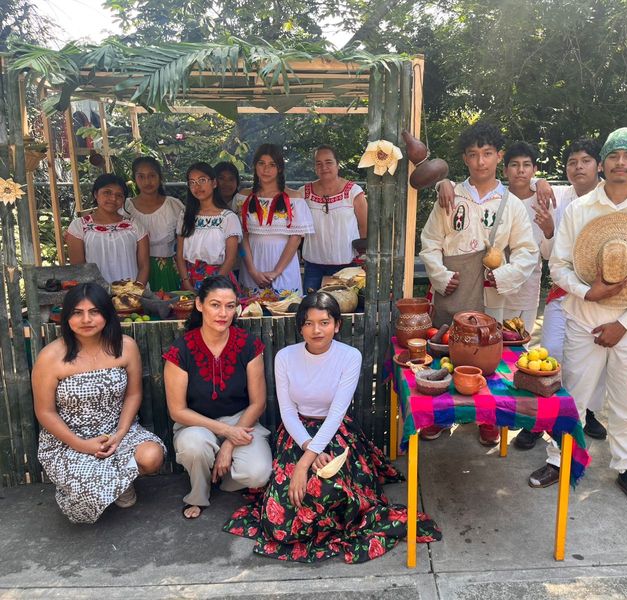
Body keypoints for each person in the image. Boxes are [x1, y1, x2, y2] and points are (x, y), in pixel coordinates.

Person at [223, 291, 440, 562]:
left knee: (330, 489)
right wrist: (306, 450)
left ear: (337, 325)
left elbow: (337, 413)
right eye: (309, 323)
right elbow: (288, 412)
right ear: (300, 326)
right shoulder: (285, 357)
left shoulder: (349, 356)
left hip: (335, 432)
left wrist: (305, 464)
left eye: (325, 322)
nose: (317, 330)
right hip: (296, 434)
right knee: (282, 518)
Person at [529, 127, 627, 512]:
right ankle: (559, 460)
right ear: (603, 164)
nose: (620, 163)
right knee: (573, 395)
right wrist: (586, 292)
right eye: (613, 156)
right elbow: (558, 266)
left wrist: (623, 324)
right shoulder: (579, 209)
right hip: (582, 318)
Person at [419, 121, 538, 446]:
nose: (481, 162)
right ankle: (440, 417)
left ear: (499, 156)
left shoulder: (510, 204)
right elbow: (430, 241)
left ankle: (488, 419)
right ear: (465, 158)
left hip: (489, 292)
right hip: (454, 291)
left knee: (488, 358)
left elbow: (528, 251)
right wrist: (441, 277)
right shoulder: (451, 196)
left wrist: (503, 276)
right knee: (446, 353)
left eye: (487, 154)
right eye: (473, 155)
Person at [33, 283, 165, 523]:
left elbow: (133, 395)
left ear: (106, 313)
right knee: (85, 500)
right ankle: (104, 482)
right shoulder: (50, 357)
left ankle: (117, 481)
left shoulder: (125, 347)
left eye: (94, 311)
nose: (86, 319)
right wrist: (83, 445)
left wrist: (121, 432)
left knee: (151, 456)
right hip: (69, 440)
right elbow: (45, 412)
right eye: (77, 312)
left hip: (118, 430)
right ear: (66, 317)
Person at [516, 139, 608, 449]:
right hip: (563, 289)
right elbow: (549, 254)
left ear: (599, 165)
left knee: (595, 359)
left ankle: (589, 412)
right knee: (551, 350)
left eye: (585, 160)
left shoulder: (612, 199)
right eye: (572, 162)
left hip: (603, 294)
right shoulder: (557, 195)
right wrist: (549, 230)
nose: (578, 167)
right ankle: (540, 417)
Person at [163, 275, 272, 519]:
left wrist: (230, 442)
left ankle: (223, 480)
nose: (223, 313)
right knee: (195, 445)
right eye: (215, 304)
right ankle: (198, 494)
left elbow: (258, 403)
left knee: (258, 473)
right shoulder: (181, 350)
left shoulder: (248, 345)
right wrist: (224, 431)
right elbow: (177, 411)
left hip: (241, 421)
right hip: (196, 423)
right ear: (200, 305)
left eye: (230, 306)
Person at [236, 144, 314, 297]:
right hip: (252, 267)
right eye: (261, 163)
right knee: (252, 315)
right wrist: (252, 271)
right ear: (255, 166)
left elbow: (295, 238)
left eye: (272, 164)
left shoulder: (294, 198)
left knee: (286, 314)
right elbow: (241, 237)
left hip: (284, 267)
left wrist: (275, 272)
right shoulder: (242, 197)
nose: (266, 169)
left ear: (279, 168)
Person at [302, 145, 368, 293]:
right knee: (311, 308)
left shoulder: (354, 192)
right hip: (313, 265)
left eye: (328, 162)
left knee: (348, 310)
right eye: (318, 163)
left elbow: (364, 227)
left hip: (347, 265)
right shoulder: (303, 193)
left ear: (338, 165)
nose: (324, 167)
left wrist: (363, 259)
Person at [66, 173, 149, 286]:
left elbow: (144, 266)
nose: (113, 198)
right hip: (96, 296)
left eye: (119, 195)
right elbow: (78, 270)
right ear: (96, 194)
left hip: (131, 297)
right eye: (107, 192)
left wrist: (134, 294)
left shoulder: (135, 225)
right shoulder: (79, 226)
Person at [175, 162, 243, 291]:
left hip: (218, 281)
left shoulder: (228, 217)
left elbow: (230, 258)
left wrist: (212, 287)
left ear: (214, 183)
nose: (197, 186)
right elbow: (179, 254)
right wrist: (186, 283)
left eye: (202, 180)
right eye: (192, 182)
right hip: (189, 280)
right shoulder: (185, 215)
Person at [123, 156, 184, 292]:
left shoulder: (174, 205)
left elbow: (185, 242)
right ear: (134, 179)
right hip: (134, 269)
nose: (147, 181)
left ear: (159, 177)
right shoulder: (125, 208)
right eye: (141, 176)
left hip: (168, 270)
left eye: (152, 175)